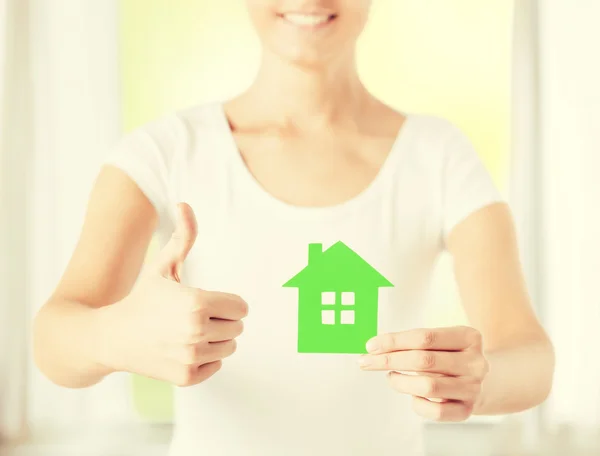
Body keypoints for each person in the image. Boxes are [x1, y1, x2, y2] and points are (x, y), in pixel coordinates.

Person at [32, 1, 555, 455]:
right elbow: (53, 340)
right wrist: (115, 335)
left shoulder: (439, 156)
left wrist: (479, 379)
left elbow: (531, 358)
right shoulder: (163, 153)